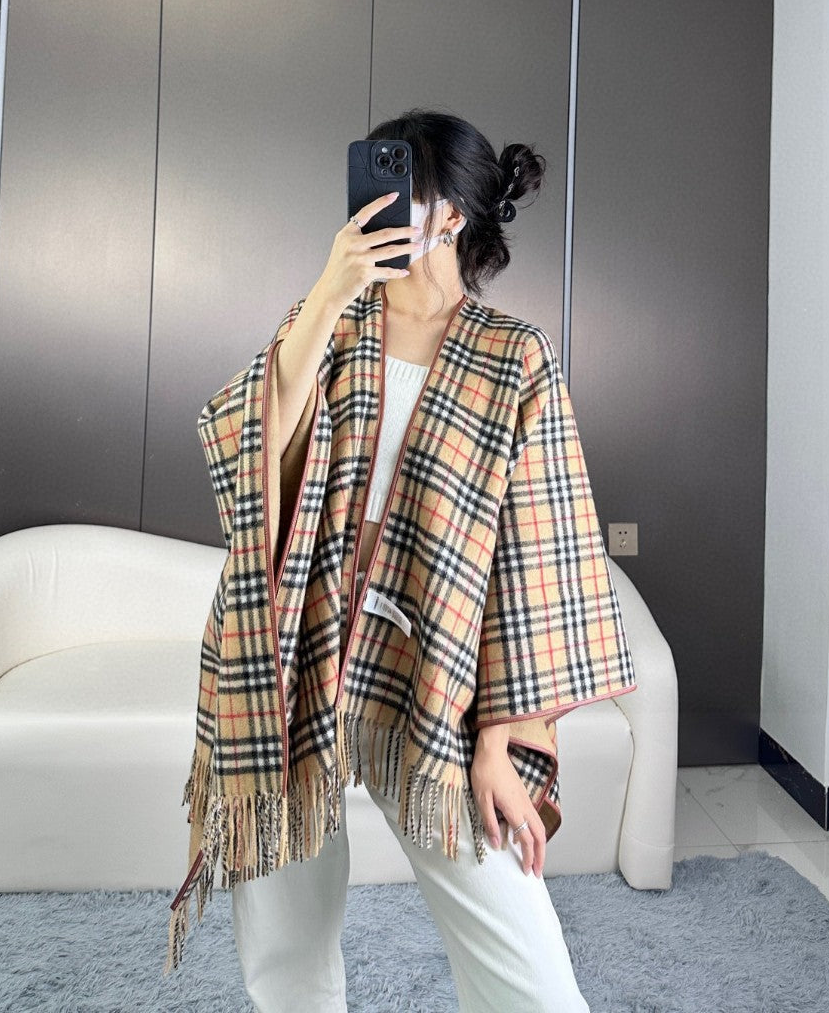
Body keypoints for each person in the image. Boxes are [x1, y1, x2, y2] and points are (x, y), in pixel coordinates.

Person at [165, 108, 637, 1010]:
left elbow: (540, 554)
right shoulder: (330, 320)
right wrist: (328, 292)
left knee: (527, 966)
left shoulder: (513, 357)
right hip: (291, 651)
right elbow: (250, 438)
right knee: (284, 938)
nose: (375, 204)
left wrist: (498, 738)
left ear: (449, 214)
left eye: (400, 186)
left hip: (434, 671)